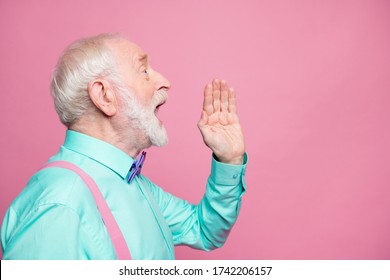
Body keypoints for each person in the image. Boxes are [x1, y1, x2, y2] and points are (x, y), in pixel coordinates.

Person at [1, 33, 247, 259]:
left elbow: (203, 230)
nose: (165, 82)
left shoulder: (131, 182)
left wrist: (229, 160)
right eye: (144, 71)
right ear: (105, 96)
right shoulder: (61, 206)